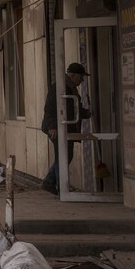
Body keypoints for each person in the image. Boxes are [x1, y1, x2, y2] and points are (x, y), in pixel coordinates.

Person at [40, 62, 92, 195]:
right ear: (73, 75)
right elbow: (49, 108)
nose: (82, 80)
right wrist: (52, 127)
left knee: (65, 156)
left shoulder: (70, 88)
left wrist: (86, 113)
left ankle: (50, 182)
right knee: (63, 157)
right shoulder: (60, 87)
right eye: (81, 77)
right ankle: (61, 187)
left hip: (65, 128)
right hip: (57, 129)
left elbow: (73, 108)